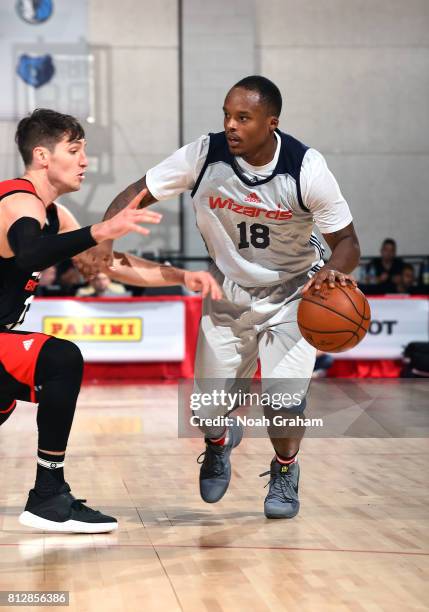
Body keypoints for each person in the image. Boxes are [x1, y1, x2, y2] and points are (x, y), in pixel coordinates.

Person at [90, 75, 360, 519]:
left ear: (271, 123)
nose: (230, 125)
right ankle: (218, 442)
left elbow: (348, 242)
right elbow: (138, 190)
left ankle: (285, 470)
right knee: (207, 409)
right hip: (228, 290)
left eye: (243, 118)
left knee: (284, 400)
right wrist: (104, 232)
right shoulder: (205, 153)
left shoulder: (306, 167)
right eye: (226, 115)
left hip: (294, 291)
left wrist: (331, 274)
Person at [0, 108, 221, 533]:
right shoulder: (18, 199)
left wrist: (181, 276)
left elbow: (107, 263)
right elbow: (29, 251)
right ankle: (48, 494)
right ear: (43, 156)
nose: (85, 161)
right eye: (75, 150)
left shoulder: (54, 213)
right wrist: (100, 229)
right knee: (60, 360)